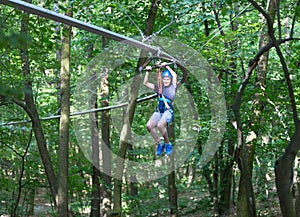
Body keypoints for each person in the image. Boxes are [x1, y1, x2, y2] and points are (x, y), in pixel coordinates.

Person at [143, 62, 177, 156]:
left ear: (170, 80)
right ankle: (159, 143)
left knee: (160, 125)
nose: (166, 81)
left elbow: (174, 75)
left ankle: (167, 144)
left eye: (168, 79)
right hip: (159, 111)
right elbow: (145, 83)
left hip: (168, 111)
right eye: (164, 79)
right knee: (149, 126)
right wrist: (148, 72)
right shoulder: (159, 88)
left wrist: (167, 66)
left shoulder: (172, 87)